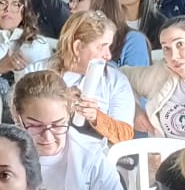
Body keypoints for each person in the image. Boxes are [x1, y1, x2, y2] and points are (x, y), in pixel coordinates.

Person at [11, 70, 132, 190]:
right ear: (18, 118)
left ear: (68, 115)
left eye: (57, 125)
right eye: (35, 126)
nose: (47, 137)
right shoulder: (3, 153)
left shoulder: (93, 160)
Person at [50, 9, 136, 142]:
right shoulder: (41, 72)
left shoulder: (115, 80)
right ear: (78, 47)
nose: (108, 55)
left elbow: (125, 135)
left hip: (98, 155)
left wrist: (96, 116)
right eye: (101, 47)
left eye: (109, 47)